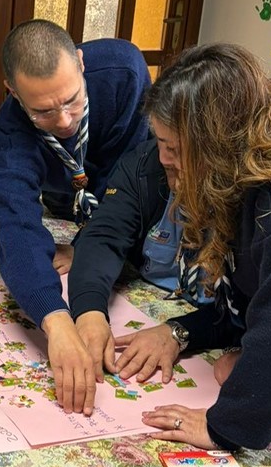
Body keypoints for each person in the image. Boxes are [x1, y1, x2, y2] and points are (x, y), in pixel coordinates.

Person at [113, 43, 271, 450]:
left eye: (172, 149)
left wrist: (228, 425)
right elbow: (252, 296)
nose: (163, 160)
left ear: (212, 142)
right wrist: (182, 331)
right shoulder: (247, 160)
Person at [0, 19, 150, 416]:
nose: (63, 121)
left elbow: (131, 180)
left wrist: (86, 246)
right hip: (66, 194)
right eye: (43, 111)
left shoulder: (123, 72)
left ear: (80, 63)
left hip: (123, 191)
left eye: (72, 101)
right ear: (13, 92)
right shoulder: (11, 135)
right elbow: (18, 227)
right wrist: (56, 318)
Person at [67, 137, 212, 382]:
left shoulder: (257, 188)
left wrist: (180, 331)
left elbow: (259, 308)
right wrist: (90, 312)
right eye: (166, 146)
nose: (178, 181)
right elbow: (103, 237)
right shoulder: (143, 164)